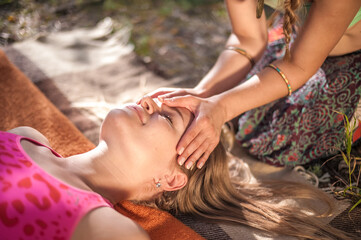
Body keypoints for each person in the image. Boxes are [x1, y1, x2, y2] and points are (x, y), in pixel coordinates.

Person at [0, 97, 353, 239]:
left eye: (168, 118)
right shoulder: (28, 137)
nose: (151, 102)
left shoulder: (108, 229)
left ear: (170, 178)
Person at [144, 0, 361, 169]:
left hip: (346, 56)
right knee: (241, 111)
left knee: (282, 140)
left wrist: (221, 106)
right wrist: (205, 92)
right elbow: (247, 38)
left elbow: (299, 66)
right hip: (298, 41)